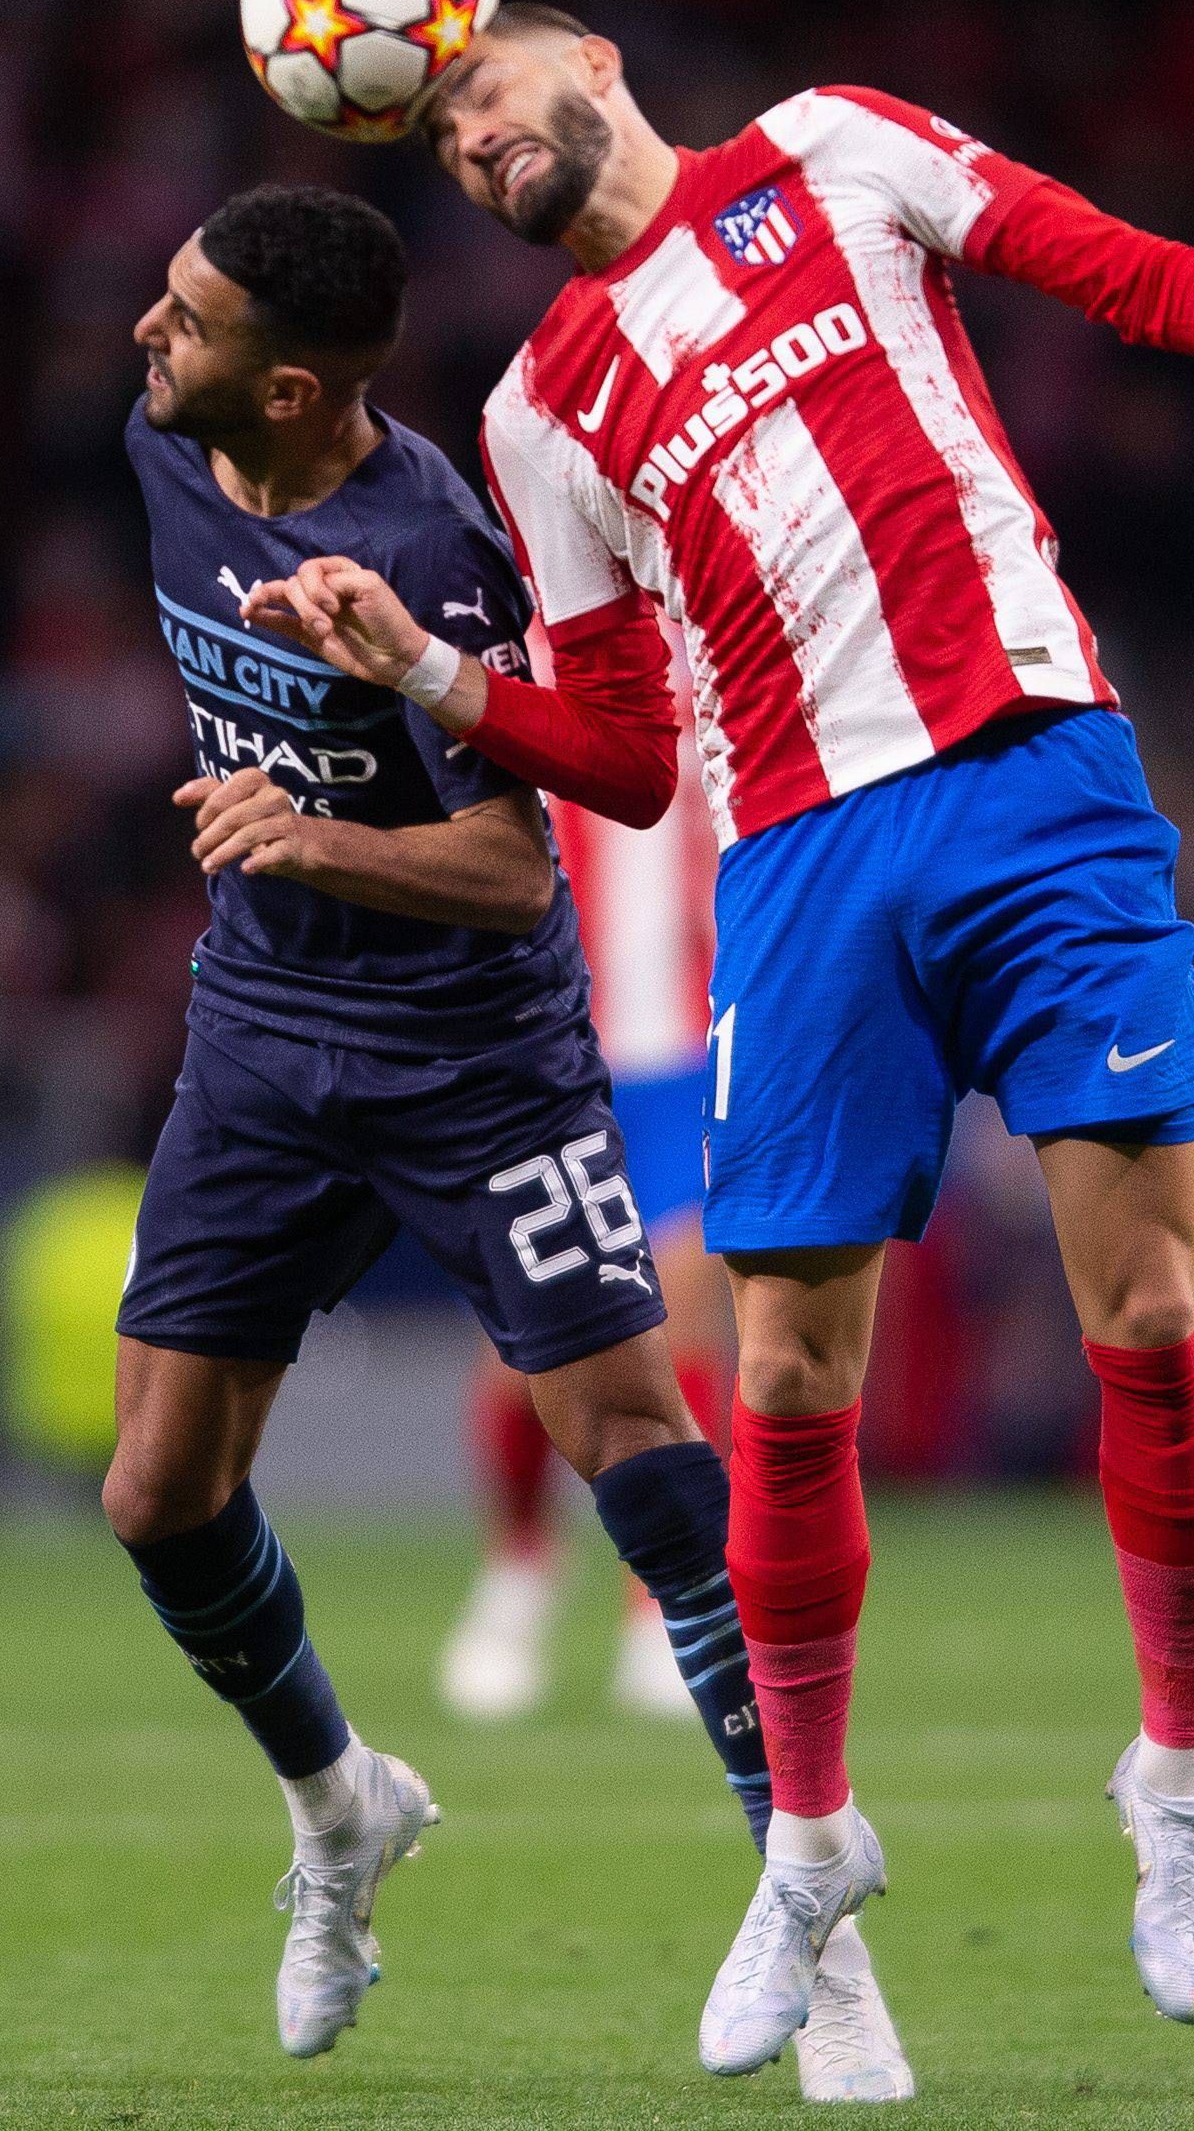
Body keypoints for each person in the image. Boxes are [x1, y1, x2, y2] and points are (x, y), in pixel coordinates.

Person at [242, 4, 1194, 2074]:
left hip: (1035, 778)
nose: (470, 142)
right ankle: (807, 1842)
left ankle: (1174, 1777)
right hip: (795, 866)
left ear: (589, 61)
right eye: (436, 143)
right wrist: (430, 666)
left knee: (1144, 1310)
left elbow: (1114, 264)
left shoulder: (834, 147)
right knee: (782, 1371)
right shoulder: (542, 411)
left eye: (479, 96)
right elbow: (619, 751)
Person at [104, 183, 910, 2096]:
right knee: (157, 1493)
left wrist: (313, 833)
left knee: (639, 1449)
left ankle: (826, 1926)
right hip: (261, 1038)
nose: (148, 332)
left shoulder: (445, 552)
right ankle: (339, 1804)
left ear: (293, 385)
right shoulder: (166, 446)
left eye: (188, 316)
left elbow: (510, 858)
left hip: (475, 1059)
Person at [439, 645, 732, 1727]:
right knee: (525, 1333)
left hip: (690, 1039)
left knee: (681, 1306)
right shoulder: (516, 637)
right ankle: (517, 1568)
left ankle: (662, 1602)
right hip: (542, 1033)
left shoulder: (710, 629)